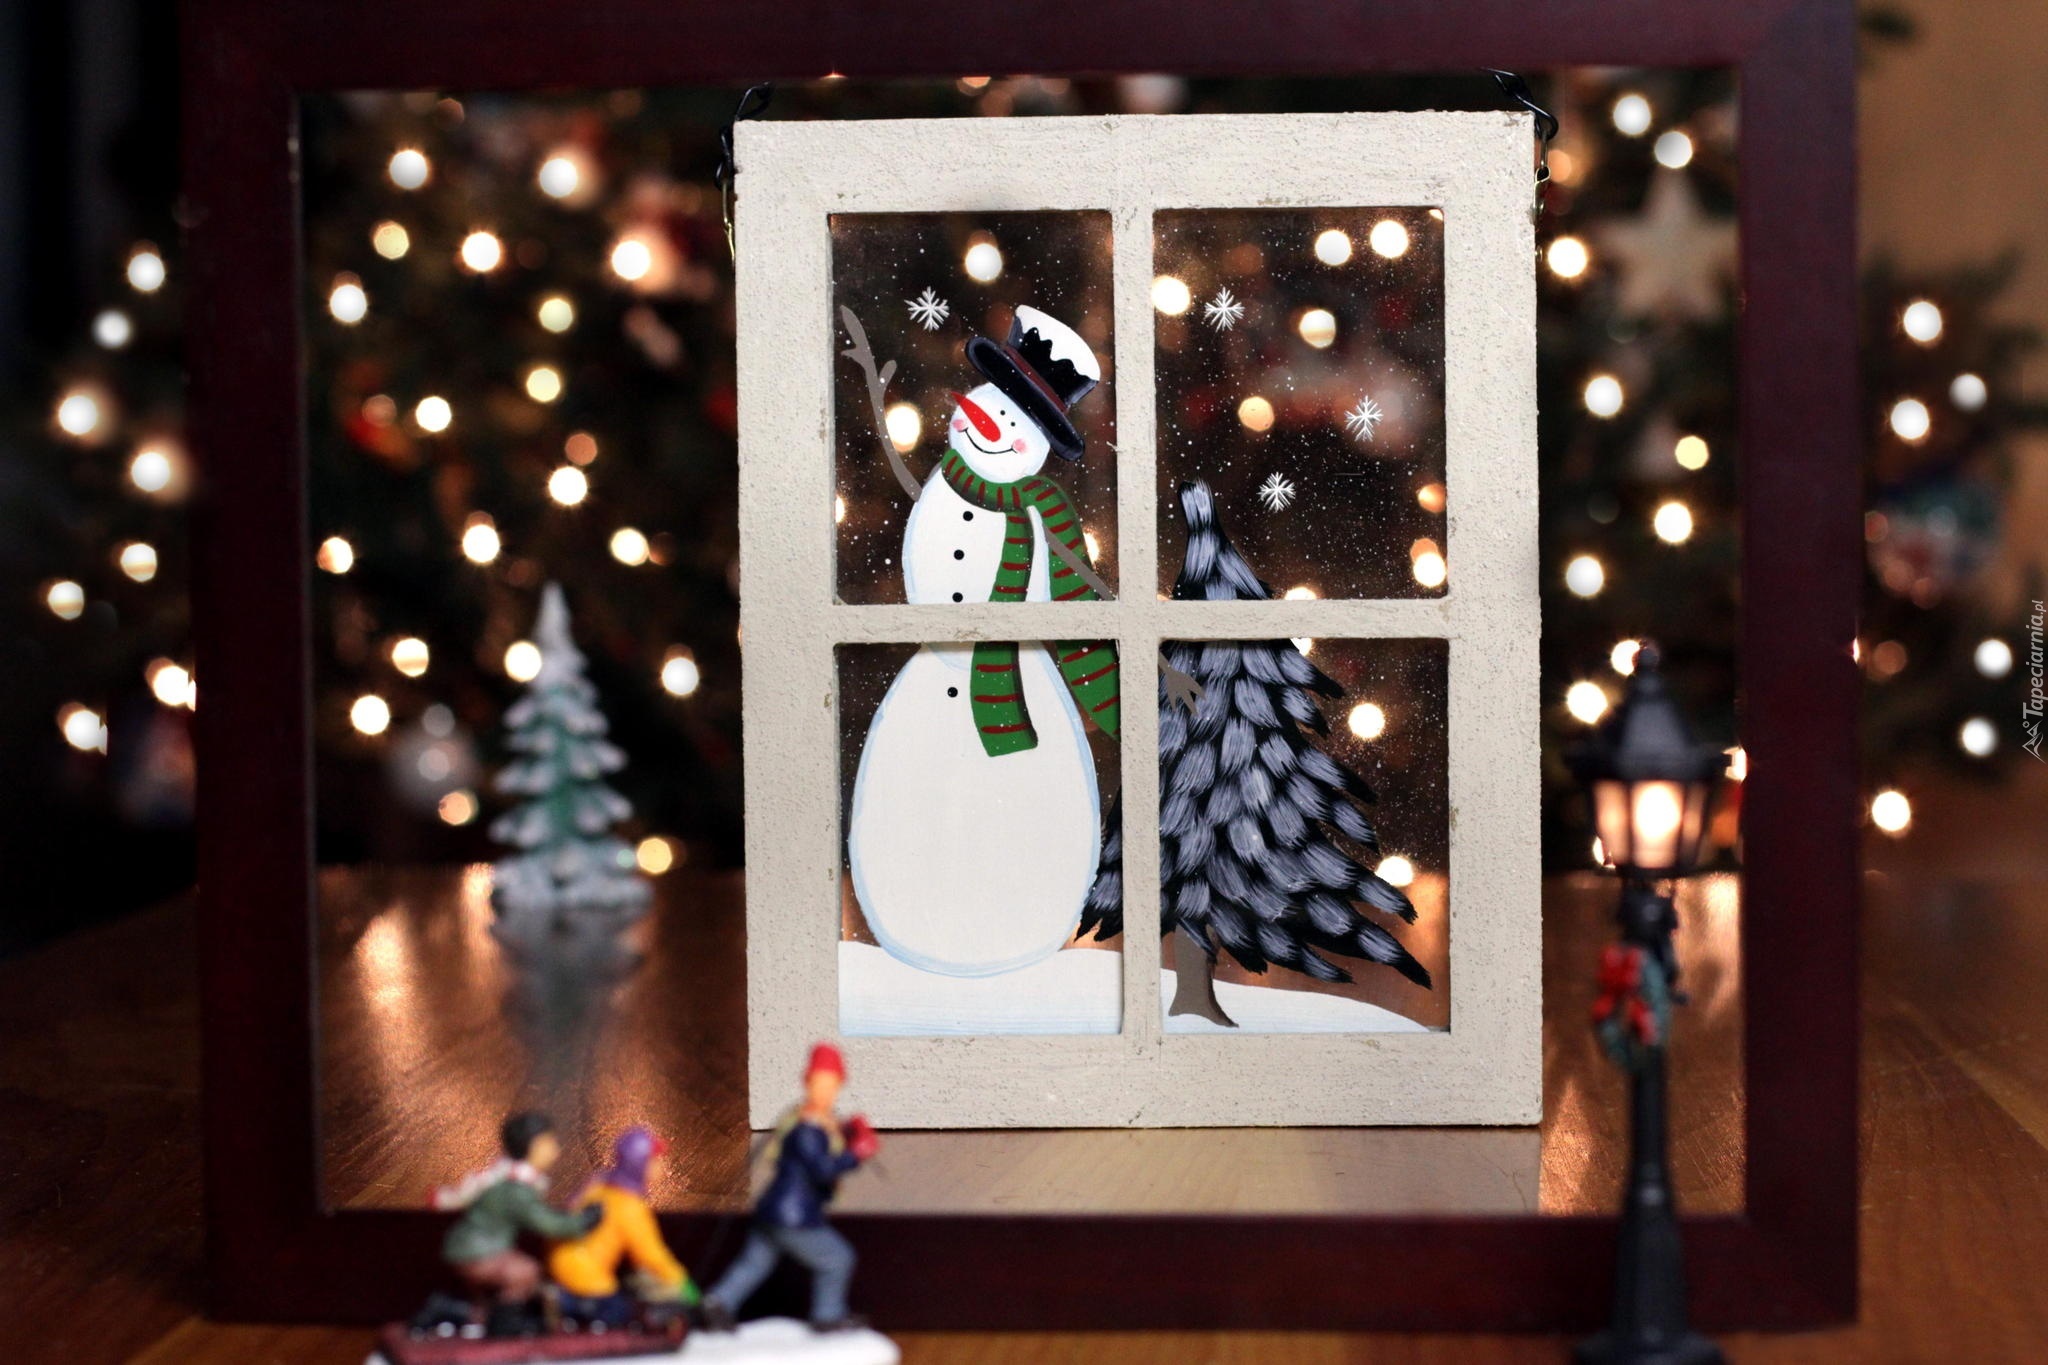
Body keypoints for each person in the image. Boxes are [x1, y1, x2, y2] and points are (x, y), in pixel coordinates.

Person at [699, 1043, 880, 1333]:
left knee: (755, 1263)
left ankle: (717, 1303)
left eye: (832, 1085)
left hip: (773, 1210)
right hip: (792, 1216)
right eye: (820, 1084)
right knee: (838, 1258)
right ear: (807, 1083)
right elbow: (823, 1170)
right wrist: (855, 1154)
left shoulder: (814, 1122)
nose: (826, 1092)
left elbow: (825, 1150)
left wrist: (847, 1135)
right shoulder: (806, 1129)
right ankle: (828, 1315)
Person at [431, 1111, 601, 1335]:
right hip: (476, 1250)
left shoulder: (510, 1178)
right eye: (549, 1143)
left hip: (471, 1246)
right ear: (534, 1146)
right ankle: (503, 1324)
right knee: (526, 1272)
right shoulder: (517, 1188)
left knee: (492, 1298)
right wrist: (583, 1221)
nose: (556, 1150)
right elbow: (546, 1223)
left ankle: (452, 1310)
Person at [548, 1126, 699, 1325]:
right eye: (655, 1161)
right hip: (586, 1279)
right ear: (640, 1164)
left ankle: (566, 1301)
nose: (661, 1167)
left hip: (557, 1266)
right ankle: (573, 1306)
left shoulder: (598, 1185)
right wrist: (684, 1284)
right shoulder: (629, 1205)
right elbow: (650, 1255)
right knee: (627, 1314)